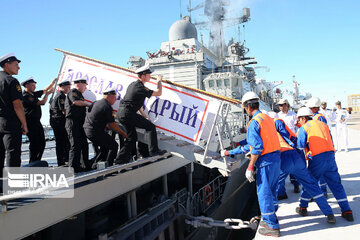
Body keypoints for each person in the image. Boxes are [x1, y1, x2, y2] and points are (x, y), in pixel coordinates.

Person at [271, 111, 335, 223]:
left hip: (284, 160)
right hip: (296, 158)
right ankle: (329, 213)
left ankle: (271, 218)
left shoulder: (268, 131)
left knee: (272, 187)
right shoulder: (285, 130)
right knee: (313, 186)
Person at [232, 91, 281, 237]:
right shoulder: (266, 118)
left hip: (265, 161)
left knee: (263, 193)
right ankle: (271, 218)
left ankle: (271, 226)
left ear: (248, 107)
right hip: (276, 159)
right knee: (272, 191)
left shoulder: (254, 123)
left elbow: (257, 148)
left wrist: (250, 167)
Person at [296, 107, 354, 222]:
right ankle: (347, 211)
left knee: (310, 182)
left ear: (303, 118)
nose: (298, 122)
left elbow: (300, 147)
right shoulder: (323, 124)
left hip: (317, 158)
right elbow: (330, 140)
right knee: (336, 184)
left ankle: (303, 207)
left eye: (299, 119)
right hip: (330, 156)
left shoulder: (305, 128)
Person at [115, 64, 166, 164]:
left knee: (132, 138)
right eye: (148, 74)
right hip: (127, 114)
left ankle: (120, 160)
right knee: (150, 127)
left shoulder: (133, 84)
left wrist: (145, 117)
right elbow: (158, 93)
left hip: (122, 113)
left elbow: (138, 106)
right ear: (143, 76)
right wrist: (159, 81)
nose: (150, 76)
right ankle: (154, 151)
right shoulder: (140, 88)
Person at [84, 88, 128, 168]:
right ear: (110, 97)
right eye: (115, 98)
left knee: (105, 146)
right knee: (114, 145)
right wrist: (122, 133)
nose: (115, 100)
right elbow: (112, 125)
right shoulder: (107, 106)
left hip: (88, 129)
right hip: (95, 131)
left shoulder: (96, 102)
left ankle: (95, 164)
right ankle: (110, 167)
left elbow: (95, 116)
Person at [0, 53, 28, 176]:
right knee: (13, 152)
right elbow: (17, 105)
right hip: (10, 122)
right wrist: (24, 123)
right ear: (7, 65)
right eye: (16, 65)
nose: (19, 67)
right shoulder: (11, 81)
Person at [21, 77, 56, 163]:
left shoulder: (32, 94)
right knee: (35, 144)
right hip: (30, 123)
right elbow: (42, 102)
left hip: (37, 122)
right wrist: (47, 94)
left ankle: (37, 161)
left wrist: (52, 83)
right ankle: (32, 163)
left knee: (42, 143)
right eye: (32, 85)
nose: (35, 87)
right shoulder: (26, 96)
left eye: (35, 85)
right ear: (26, 85)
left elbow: (44, 90)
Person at [65, 78, 91, 173]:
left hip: (80, 122)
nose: (86, 87)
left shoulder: (80, 95)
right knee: (75, 145)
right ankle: (73, 168)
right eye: (85, 85)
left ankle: (85, 165)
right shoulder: (73, 92)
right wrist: (89, 105)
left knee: (84, 144)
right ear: (79, 84)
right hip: (73, 122)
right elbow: (75, 102)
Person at [306, 97, 329, 195]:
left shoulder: (319, 117)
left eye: (310, 108)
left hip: (319, 147)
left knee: (320, 171)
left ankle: (322, 191)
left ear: (315, 108)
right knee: (314, 171)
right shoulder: (314, 117)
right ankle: (318, 191)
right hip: (313, 147)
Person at [277, 98, 300, 194]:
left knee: (294, 164)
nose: (281, 107)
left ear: (287, 105)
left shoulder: (293, 115)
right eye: (280, 105)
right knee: (283, 165)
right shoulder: (278, 116)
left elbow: (299, 126)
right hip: (282, 142)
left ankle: (296, 184)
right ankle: (282, 189)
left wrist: (296, 137)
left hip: (292, 141)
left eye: (282, 105)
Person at [49, 80, 71, 166]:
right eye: (67, 87)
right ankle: (62, 161)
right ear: (62, 87)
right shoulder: (61, 96)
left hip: (58, 121)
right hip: (59, 122)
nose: (69, 89)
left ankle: (63, 160)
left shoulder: (60, 95)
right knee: (62, 142)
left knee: (63, 142)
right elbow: (64, 111)